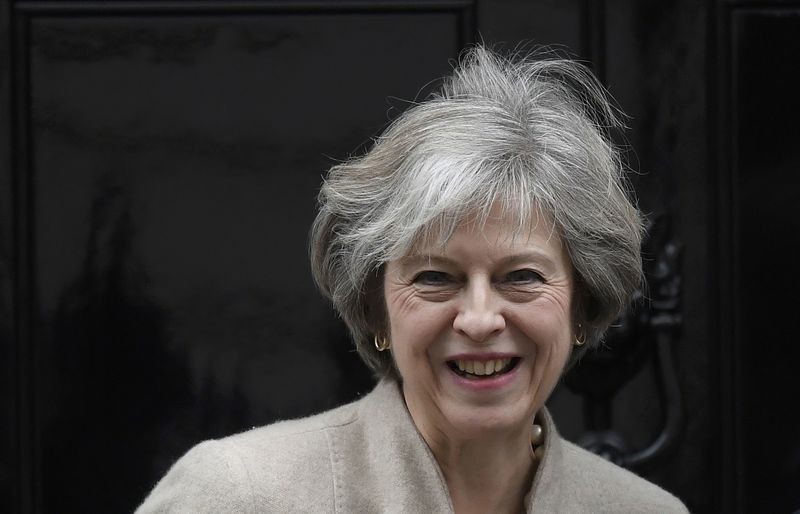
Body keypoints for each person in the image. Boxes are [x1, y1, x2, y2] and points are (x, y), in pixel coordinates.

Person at [136, 46, 688, 513]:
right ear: (377, 309)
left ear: (581, 305)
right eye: (434, 277)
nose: (478, 319)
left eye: (520, 276)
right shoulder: (241, 495)